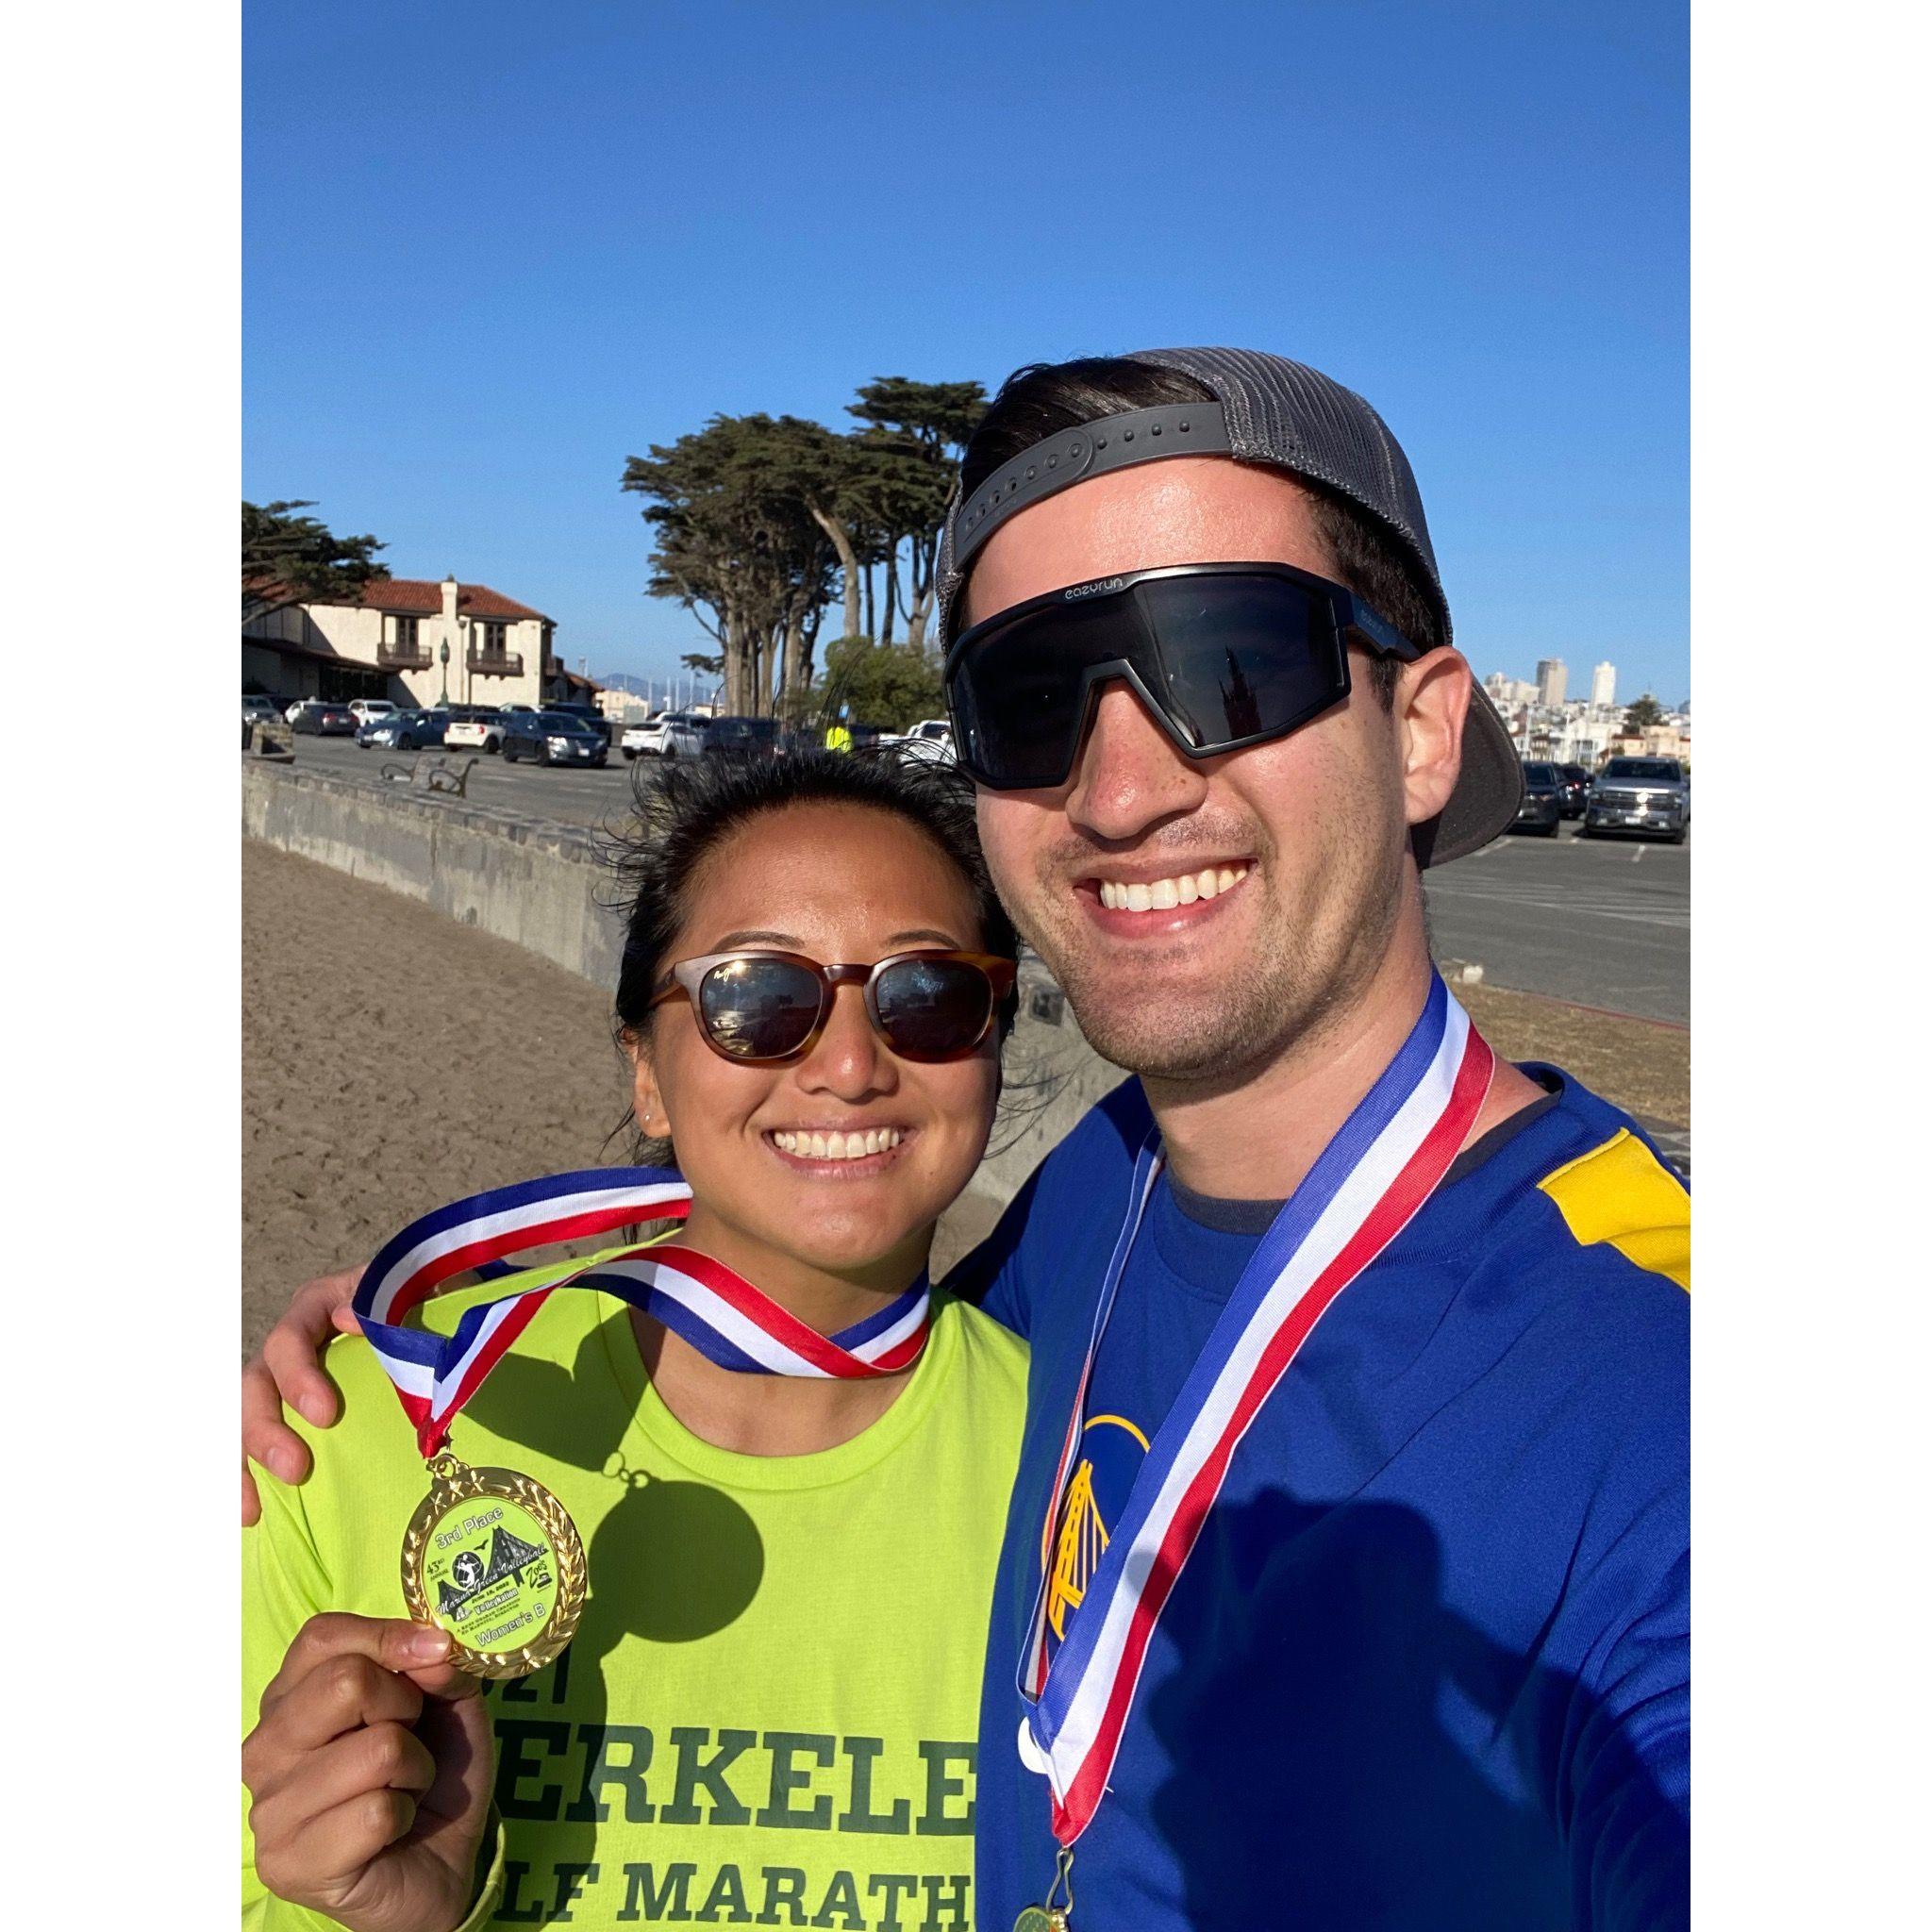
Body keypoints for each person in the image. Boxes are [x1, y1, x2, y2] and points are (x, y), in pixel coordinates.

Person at [247, 348, 1689, 1931]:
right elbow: (811, 1295)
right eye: (1031, 696)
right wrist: (412, 1333)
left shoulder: (1658, 1380)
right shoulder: (1096, 1193)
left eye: (1227, 661)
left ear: (1419, 728)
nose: (1124, 787)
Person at [242, 750, 1027, 1929]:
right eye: (756, 996)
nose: (853, 1065)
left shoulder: (1094, 1467)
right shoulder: (342, 1435)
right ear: (646, 1073)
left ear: (993, 1043)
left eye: (928, 993)